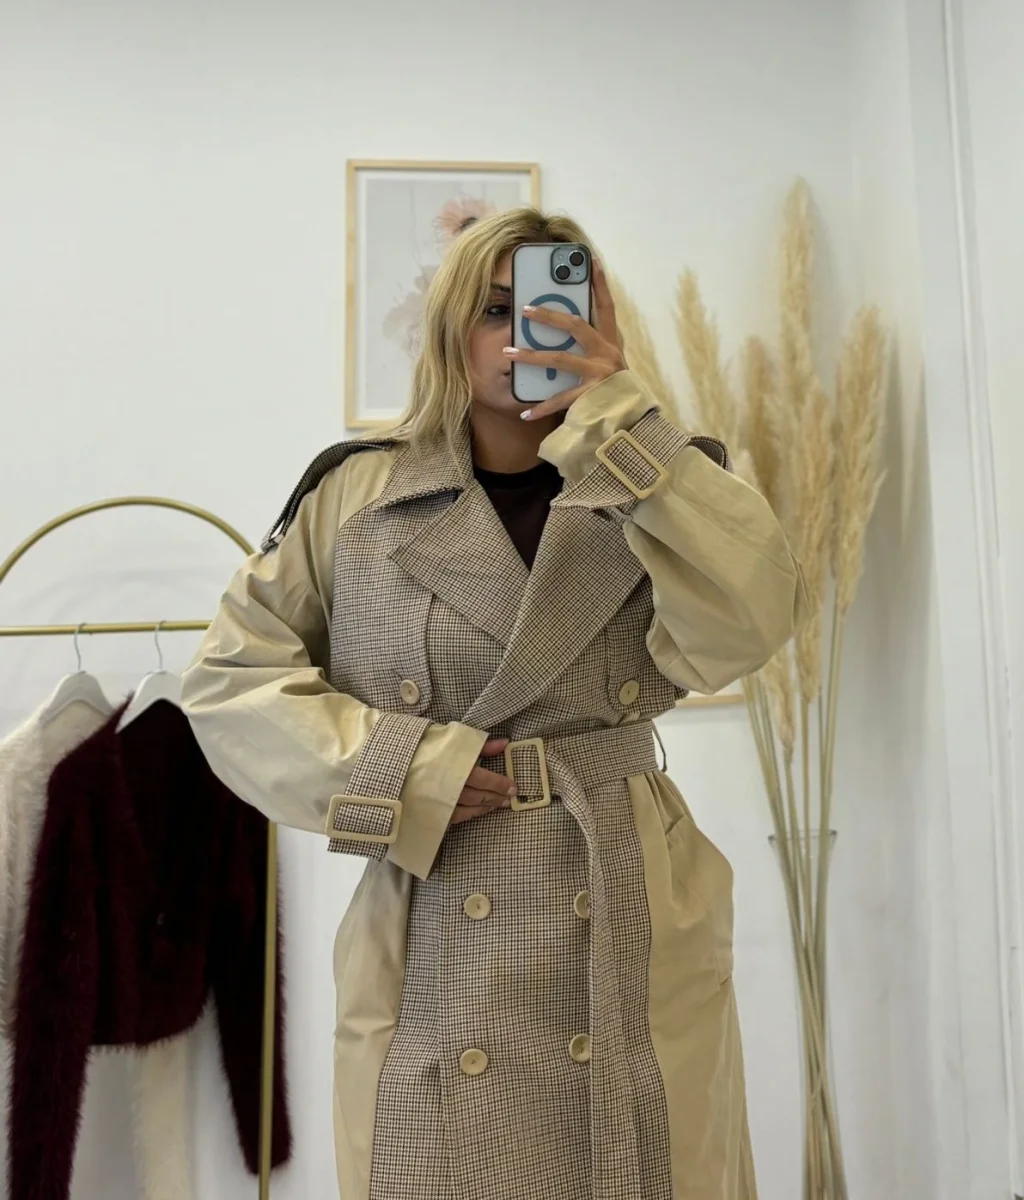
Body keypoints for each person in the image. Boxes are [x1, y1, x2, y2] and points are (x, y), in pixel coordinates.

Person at [181, 206, 807, 1200]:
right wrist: (397, 770)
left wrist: (619, 422)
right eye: (494, 309)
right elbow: (227, 681)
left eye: (555, 309)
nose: (525, 335)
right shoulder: (355, 495)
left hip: (624, 887)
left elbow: (749, 626)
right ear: (447, 330)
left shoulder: (665, 476)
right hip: (437, 894)